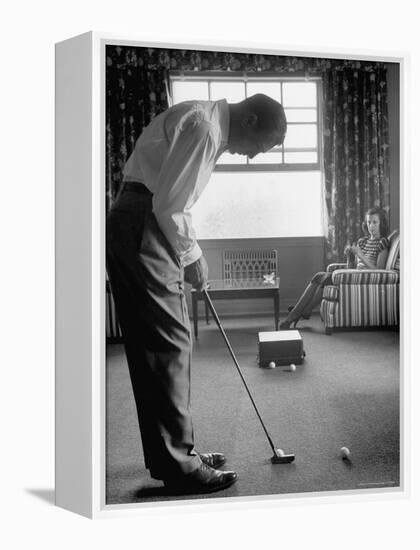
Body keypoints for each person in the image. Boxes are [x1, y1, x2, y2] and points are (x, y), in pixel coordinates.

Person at [106, 94, 287, 495]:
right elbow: (171, 205)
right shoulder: (206, 128)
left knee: (161, 346)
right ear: (251, 119)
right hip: (144, 223)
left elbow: (170, 198)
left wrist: (186, 253)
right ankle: (180, 466)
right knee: (168, 345)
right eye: (261, 146)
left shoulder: (206, 120)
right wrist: (194, 257)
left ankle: (174, 455)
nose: (254, 156)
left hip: (138, 220)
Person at [279, 207, 390, 330]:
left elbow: (380, 270)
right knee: (320, 276)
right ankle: (303, 312)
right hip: (353, 277)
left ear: (382, 224)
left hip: (366, 279)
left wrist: (361, 256)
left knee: (324, 277)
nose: (371, 226)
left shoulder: (383, 242)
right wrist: (350, 256)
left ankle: (295, 314)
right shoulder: (362, 241)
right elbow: (351, 267)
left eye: (375, 222)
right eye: (369, 222)